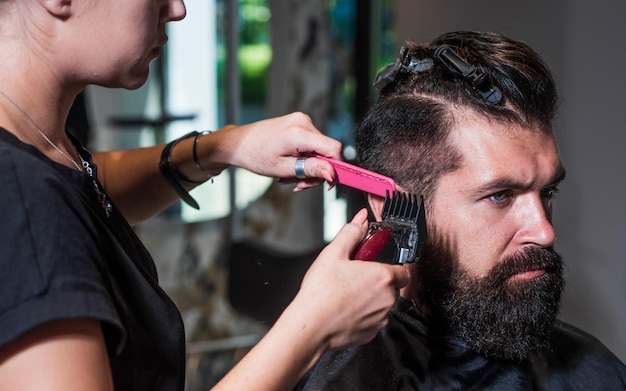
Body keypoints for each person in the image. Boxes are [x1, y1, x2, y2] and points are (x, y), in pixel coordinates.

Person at [0, 1, 410, 390]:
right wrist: (312, 327)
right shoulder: (22, 196)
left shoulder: (36, 152)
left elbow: (83, 186)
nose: (176, 10)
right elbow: (44, 209)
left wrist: (222, 147)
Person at [296, 31, 626, 390]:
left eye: (547, 191)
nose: (545, 231)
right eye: (500, 195)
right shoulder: (337, 377)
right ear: (391, 206)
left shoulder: (599, 374)